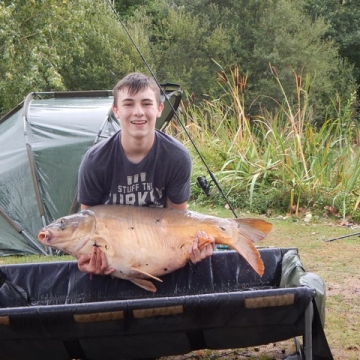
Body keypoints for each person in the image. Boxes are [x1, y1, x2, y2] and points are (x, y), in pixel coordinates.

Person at [76, 72, 214, 276]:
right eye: (129, 104)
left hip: (160, 256)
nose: (138, 112)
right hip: (116, 259)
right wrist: (87, 260)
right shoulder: (95, 161)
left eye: (147, 104)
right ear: (116, 111)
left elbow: (178, 220)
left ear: (159, 109)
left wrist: (193, 248)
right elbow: (86, 227)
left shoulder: (177, 157)